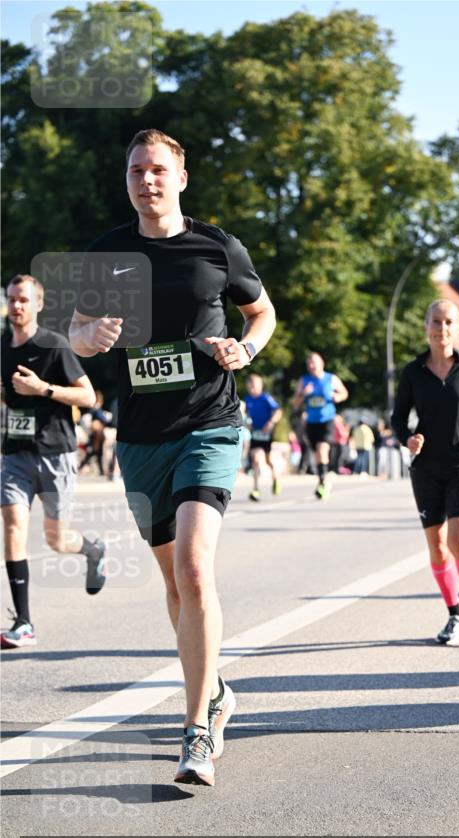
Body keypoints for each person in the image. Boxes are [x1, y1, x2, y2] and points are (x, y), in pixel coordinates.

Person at [68, 129, 276, 785]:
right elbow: (73, 329)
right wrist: (90, 336)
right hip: (138, 436)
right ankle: (214, 689)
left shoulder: (217, 246)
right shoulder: (107, 254)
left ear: (180, 178)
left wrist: (248, 349)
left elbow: (261, 313)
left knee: (193, 565)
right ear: (126, 181)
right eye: (135, 171)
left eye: (158, 169)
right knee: (172, 583)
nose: (146, 180)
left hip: (209, 423)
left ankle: (196, 732)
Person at [1, 274, 107, 649]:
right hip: (15, 453)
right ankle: (24, 622)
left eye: (24, 300)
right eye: (12, 299)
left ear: (38, 305)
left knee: (57, 539)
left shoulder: (53, 345)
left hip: (54, 452)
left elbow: (89, 396)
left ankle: (93, 550)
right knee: (13, 526)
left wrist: (42, 389)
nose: (17, 306)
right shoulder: (1, 346)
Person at [391, 299, 459, 645]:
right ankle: (453, 613)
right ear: (426, 327)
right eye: (436, 322)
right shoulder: (412, 372)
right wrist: (408, 438)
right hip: (426, 467)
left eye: (448, 322)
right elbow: (398, 417)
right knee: (438, 548)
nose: (442, 328)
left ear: (458, 327)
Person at [291, 352, 348, 498]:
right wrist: (303, 394)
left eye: (314, 362)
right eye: (309, 363)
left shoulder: (331, 378)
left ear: (322, 363)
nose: (311, 365)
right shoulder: (304, 381)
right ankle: (323, 478)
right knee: (317, 454)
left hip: (327, 420)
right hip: (311, 422)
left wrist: (338, 396)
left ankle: (322, 483)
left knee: (322, 449)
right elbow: (295, 404)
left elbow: (344, 393)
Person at [243, 374, 282, 501]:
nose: (253, 388)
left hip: (266, 433)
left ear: (261, 386)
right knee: (255, 459)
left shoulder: (266, 398)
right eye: (250, 386)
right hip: (255, 433)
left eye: (255, 385)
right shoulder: (247, 400)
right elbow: (246, 415)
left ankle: (276, 478)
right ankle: (255, 489)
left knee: (268, 461)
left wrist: (270, 423)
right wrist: (247, 424)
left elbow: (278, 411)